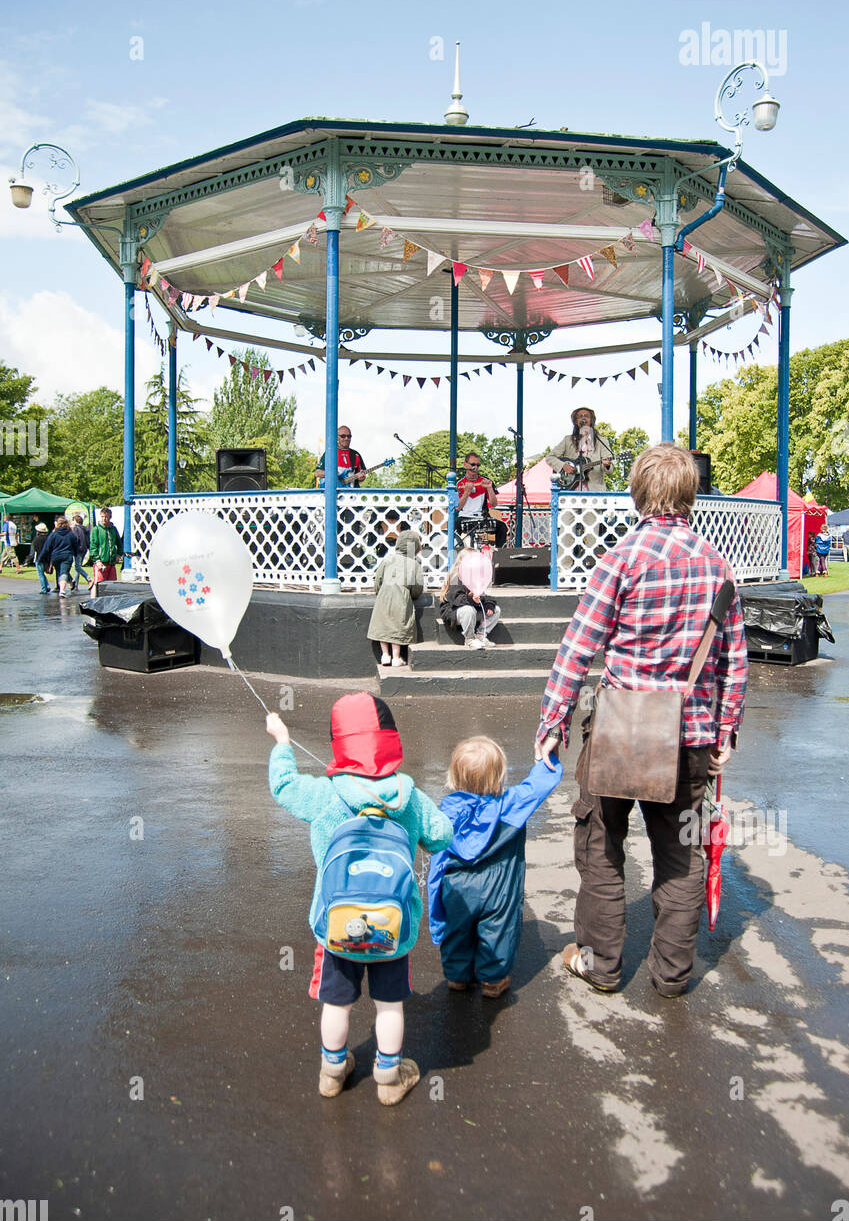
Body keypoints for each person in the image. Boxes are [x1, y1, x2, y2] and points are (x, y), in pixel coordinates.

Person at [535, 443, 748, 999]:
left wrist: (552, 724)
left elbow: (577, 649)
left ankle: (601, 963)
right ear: (690, 494)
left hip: (620, 732)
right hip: (692, 734)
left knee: (601, 845)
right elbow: (733, 661)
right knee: (681, 853)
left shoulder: (622, 558)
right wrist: (725, 730)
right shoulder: (717, 565)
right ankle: (672, 975)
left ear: (638, 492)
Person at [266, 692, 452, 1105]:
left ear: (339, 742)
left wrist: (282, 742)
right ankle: (388, 1078)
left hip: (336, 926)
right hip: (392, 929)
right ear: (391, 739)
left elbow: (282, 786)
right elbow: (442, 837)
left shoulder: (324, 794)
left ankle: (332, 1072)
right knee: (389, 1004)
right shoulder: (410, 797)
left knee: (336, 1002)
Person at [428, 737, 562, 998]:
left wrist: (435, 905)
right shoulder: (512, 804)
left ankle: (457, 977)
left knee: (456, 931)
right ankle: (493, 980)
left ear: (454, 776)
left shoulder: (446, 813)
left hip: (456, 887)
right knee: (498, 931)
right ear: (499, 776)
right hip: (499, 888)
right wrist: (544, 756)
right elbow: (541, 783)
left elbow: (437, 861)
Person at [367, 530, 424, 667]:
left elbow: (378, 580)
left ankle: (385, 655)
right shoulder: (414, 564)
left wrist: (380, 592)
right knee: (398, 625)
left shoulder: (388, 559)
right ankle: (396, 657)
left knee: (384, 624)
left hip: (384, 595)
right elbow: (417, 588)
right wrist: (412, 595)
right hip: (402, 596)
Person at [439, 551, 501, 650]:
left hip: (472, 609)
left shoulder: (474, 577)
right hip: (454, 611)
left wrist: (488, 605)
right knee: (468, 610)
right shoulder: (455, 578)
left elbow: (485, 597)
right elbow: (458, 600)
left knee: (496, 610)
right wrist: (472, 600)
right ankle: (469, 639)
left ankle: (481, 634)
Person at [546, 407, 613, 492]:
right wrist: (563, 465)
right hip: (571, 490)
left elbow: (610, 470)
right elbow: (550, 457)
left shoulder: (602, 441)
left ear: (591, 420)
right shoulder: (568, 440)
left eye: (586, 416)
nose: (583, 418)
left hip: (594, 491)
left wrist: (607, 465)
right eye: (580, 416)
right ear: (576, 422)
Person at [455, 451, 508, 548]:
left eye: (478, 465)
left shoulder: (485, 481)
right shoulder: (459, 483)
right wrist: (466, 492)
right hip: (464, 516)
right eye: (472, 464)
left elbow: (494, 504)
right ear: (465, 464)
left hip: (482, 517)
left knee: (502, 526)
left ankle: (499, 556)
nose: (475, 467)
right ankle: (456, 555)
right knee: (454, 526)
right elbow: (458, 507)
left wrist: (489, 488)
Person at [38, 517, 79, 597]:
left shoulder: (53, 534)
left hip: (55, 557)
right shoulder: (70, 534)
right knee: (64, 572)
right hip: (67, 556)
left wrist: (40, 558)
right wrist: (75, 554)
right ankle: (63, 590)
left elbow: (47, 547)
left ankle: (63, 587)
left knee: (61, 573)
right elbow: (76, 546)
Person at [89, 507, 123, 593]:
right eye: (102, 516)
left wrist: (118, 555)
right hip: (101, 563)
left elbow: (119, 544)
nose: (104, 519)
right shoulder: (96, 530)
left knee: (112, 586)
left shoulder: (113, 529)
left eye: (106, 517)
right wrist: (97, 560)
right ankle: (93, 602)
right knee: (98, 584)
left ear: (110, 517)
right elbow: (93, 546)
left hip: (111, 563)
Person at [27, 522, 51, 593]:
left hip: (39, 558)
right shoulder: (48, 538)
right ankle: (47, 586)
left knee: (40, 574)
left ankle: (44, 589)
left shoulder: (36, 540)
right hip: (47, 558)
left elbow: (33, 551)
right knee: (42, 573)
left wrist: (28, 560)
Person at [69, 513, 91, 591]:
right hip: (84, 549)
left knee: (77, 567)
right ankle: (75, 585)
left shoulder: (76, 528)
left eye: (73, 521)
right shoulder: (86, 529)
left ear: (75, 521)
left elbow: (76, 539)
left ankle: (89, 579)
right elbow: (88, 541)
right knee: (77, 567)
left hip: (78, 549)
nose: (72, 522)